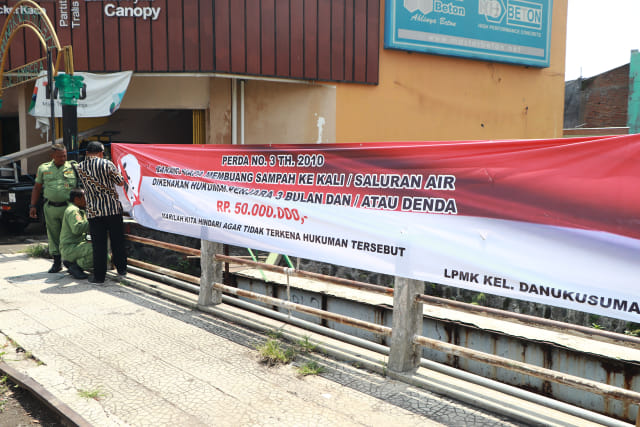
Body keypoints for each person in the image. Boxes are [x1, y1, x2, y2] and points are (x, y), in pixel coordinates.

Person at [76, 141, 127, 284]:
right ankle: (121, 270)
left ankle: (99, 277)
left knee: (98, 245)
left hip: (93, 212)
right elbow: (120, 182)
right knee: (117, 241)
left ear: (87, 153)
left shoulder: (80, 167)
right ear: (101, 153)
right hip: (112, 209)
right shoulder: (107, 164)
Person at [30, 143, 78, 273]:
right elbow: (37, 188)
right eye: (59, 156)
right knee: (53, 235)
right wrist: (33, 205)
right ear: (52, 156)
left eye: (64, 155)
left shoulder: (73, 167)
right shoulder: (43, 168)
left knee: (70, 235)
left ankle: (72, 262)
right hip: (50, 207)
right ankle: (57, 263)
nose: (63, 158)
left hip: (68, 207)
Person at [60, 188, 91, 280]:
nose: (87, 200)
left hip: (75, 246)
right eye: (85, 198)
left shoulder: (79, 209)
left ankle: (71, 262)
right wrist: (94, 221)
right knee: (98, 250)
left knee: (106, 258)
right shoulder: (73, 210)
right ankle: (77, 267)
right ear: (77, 199)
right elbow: (77, 228)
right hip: (70, 247)